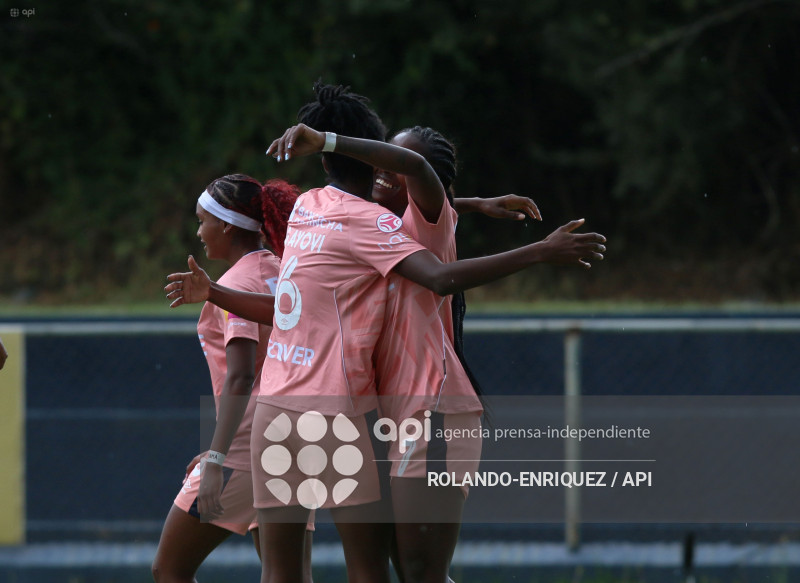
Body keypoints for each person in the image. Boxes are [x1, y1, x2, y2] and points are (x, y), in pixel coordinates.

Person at [164, 82, 605, 583]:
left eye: (396, 159)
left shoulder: (350, 215)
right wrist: (216, 295)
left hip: (422, 403)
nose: (385, 166)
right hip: (362, 410)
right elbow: (307, 295)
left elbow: (428, 235)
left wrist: (536, 249)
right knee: (381, 569)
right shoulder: (350, 217)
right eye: (384, 153)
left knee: (414, 571)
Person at [151, 174, 314, 583]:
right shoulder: (285, 269)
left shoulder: (237, 283)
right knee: (288, 576)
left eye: (202, 220)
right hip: (298, 434)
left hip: (248, 445)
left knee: (169, 569)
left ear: (226, 224)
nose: (198, 231)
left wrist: (217, 459)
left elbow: (242, 377)